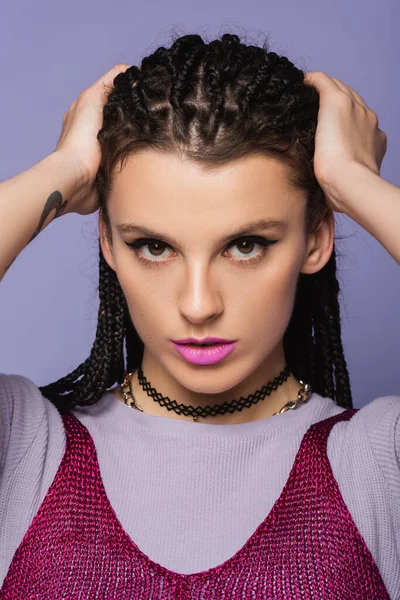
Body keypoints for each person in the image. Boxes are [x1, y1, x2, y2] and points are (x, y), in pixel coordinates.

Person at [0, 32, 398, 599]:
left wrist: (351, 180)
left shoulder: (379, 465)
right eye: (154, 247)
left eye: (246, 245)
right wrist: (63, 170)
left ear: (315, 239)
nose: (198, 305)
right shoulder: (22, 448)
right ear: (108, 245)